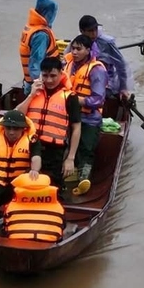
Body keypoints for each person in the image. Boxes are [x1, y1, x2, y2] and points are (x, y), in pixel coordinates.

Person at [14, 56, 82, 188]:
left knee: (52, 186)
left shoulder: (70, 97)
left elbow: (76, 128)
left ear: (61, 74)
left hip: (54, 150)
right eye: (45, 76)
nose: (49, 80)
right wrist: (31, 95)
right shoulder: (34, 91)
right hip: (29, 146)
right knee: (22, 184)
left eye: (53, 75)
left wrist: (70, 158)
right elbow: (17, 115)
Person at [63, 34, 107, 195]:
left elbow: (98, 100)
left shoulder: (97, 70)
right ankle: (65, 173)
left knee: (86, 148)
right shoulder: (67, 65)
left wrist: (75, 100)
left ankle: (84, 178)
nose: (74, 52)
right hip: (68, 115)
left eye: (78, 49)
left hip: (89, 118)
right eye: (73, 48)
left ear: (88, 50)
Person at [79, 15, 131, 100]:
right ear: (82, 31)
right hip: (86, 79)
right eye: (90, 31)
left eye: (95, 29)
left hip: (107, 82)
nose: (94, 33)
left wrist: (123, 88)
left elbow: (120, 64)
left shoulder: (107, 43)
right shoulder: (78, 43)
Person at [19, 0, 60, 96]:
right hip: (40, 85)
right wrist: (39, 85)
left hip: (30, 82)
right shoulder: (41, 35)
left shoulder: (32, 26)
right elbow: (35, 64)